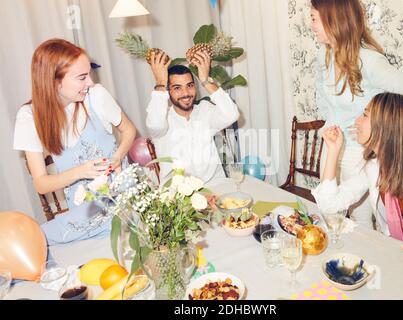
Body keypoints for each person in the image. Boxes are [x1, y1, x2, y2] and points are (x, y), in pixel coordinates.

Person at [310, 0, 403, 229]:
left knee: (360, 223)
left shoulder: (370, 62)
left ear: (333, 19)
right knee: (330, 216)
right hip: (331, 149)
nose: (311, 24)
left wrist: (384, 134)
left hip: (360, 154)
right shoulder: (322, 60)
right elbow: (325, 106)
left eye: (314, 18)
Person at [13, 39, 136, 245]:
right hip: (85, 215)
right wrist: (81, 172)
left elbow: (129, 130)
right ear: (54, 80)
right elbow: (41, 184)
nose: (90, 82)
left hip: (127, 201)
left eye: (89, 74)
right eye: (82, 77)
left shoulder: (96, 95)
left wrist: (117, 158)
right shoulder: (29, 116)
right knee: (29, 242)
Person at [312, 92, 403, 259]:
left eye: (365, 115)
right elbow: (330, 205)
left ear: (387, 125)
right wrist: (333, 151)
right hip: (399, 255)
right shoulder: (375, 165)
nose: (357, 121)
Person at [145, 50, 239, 184]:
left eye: (190, 86)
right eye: (177, 88)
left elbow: (231, 114)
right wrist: (160, 82)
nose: (186, 93)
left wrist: (206, 80)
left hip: (215, 188)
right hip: (179, 198)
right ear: (167, 91)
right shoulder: (162, 117)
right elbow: (155, 125)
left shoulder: (205, 110)